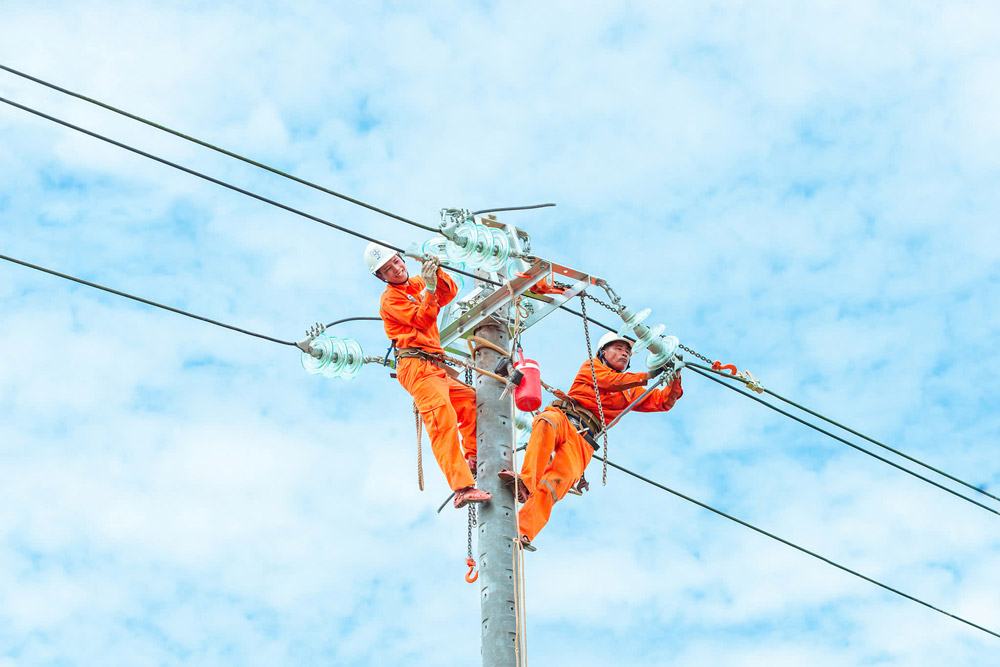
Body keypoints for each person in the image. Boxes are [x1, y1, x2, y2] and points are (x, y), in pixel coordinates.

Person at [502, 331, 683, 550]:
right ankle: (525, 483)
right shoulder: (592, 366)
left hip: (583, 440)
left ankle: (523, 530)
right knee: (546, 423)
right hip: (564, 418)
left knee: (554, 484)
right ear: (603, 353)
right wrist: (649, 374)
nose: (624, 354)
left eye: (627, 352)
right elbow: (610, 381)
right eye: (618, 349)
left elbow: (663, 401)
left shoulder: (631, 390)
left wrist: (675, 376)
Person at [365, 242, 491, 508]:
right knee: (441, 418)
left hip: (433, 366)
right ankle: (462, 488)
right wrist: (430, 289)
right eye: (388, 269)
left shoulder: (416, 285)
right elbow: (423, 319)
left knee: (471, 400)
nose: (396, 269)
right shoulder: (390, 299)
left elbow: (449, 293)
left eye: (396, 262)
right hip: (416, 366)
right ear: (381, 277)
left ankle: (472, 458)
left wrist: (437, 271)